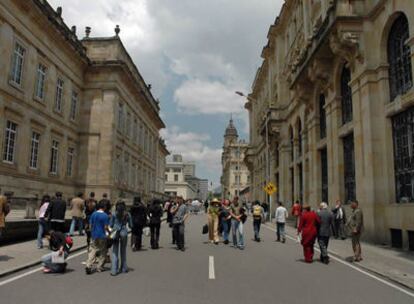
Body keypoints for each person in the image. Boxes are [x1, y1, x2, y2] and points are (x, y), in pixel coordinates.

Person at [85, 202, 110, 274]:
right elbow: (106, 227)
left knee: (93, 250)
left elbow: (90, 225)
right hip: (102, 235)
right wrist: (109, 233)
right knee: (103, 251)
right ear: (104, 207)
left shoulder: (93, 214)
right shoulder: (105, 215)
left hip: (94, 235)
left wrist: (92, 232)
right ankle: (99, 267)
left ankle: (88, 265)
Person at [110, 201, 132, 276]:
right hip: (124, 232)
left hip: (115, 233)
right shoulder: (127, 214)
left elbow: (111, 224)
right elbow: (131, 225)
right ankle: (124, 268)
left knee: (114, 252)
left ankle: (114, 270)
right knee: (123, 251)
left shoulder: (113, 214)